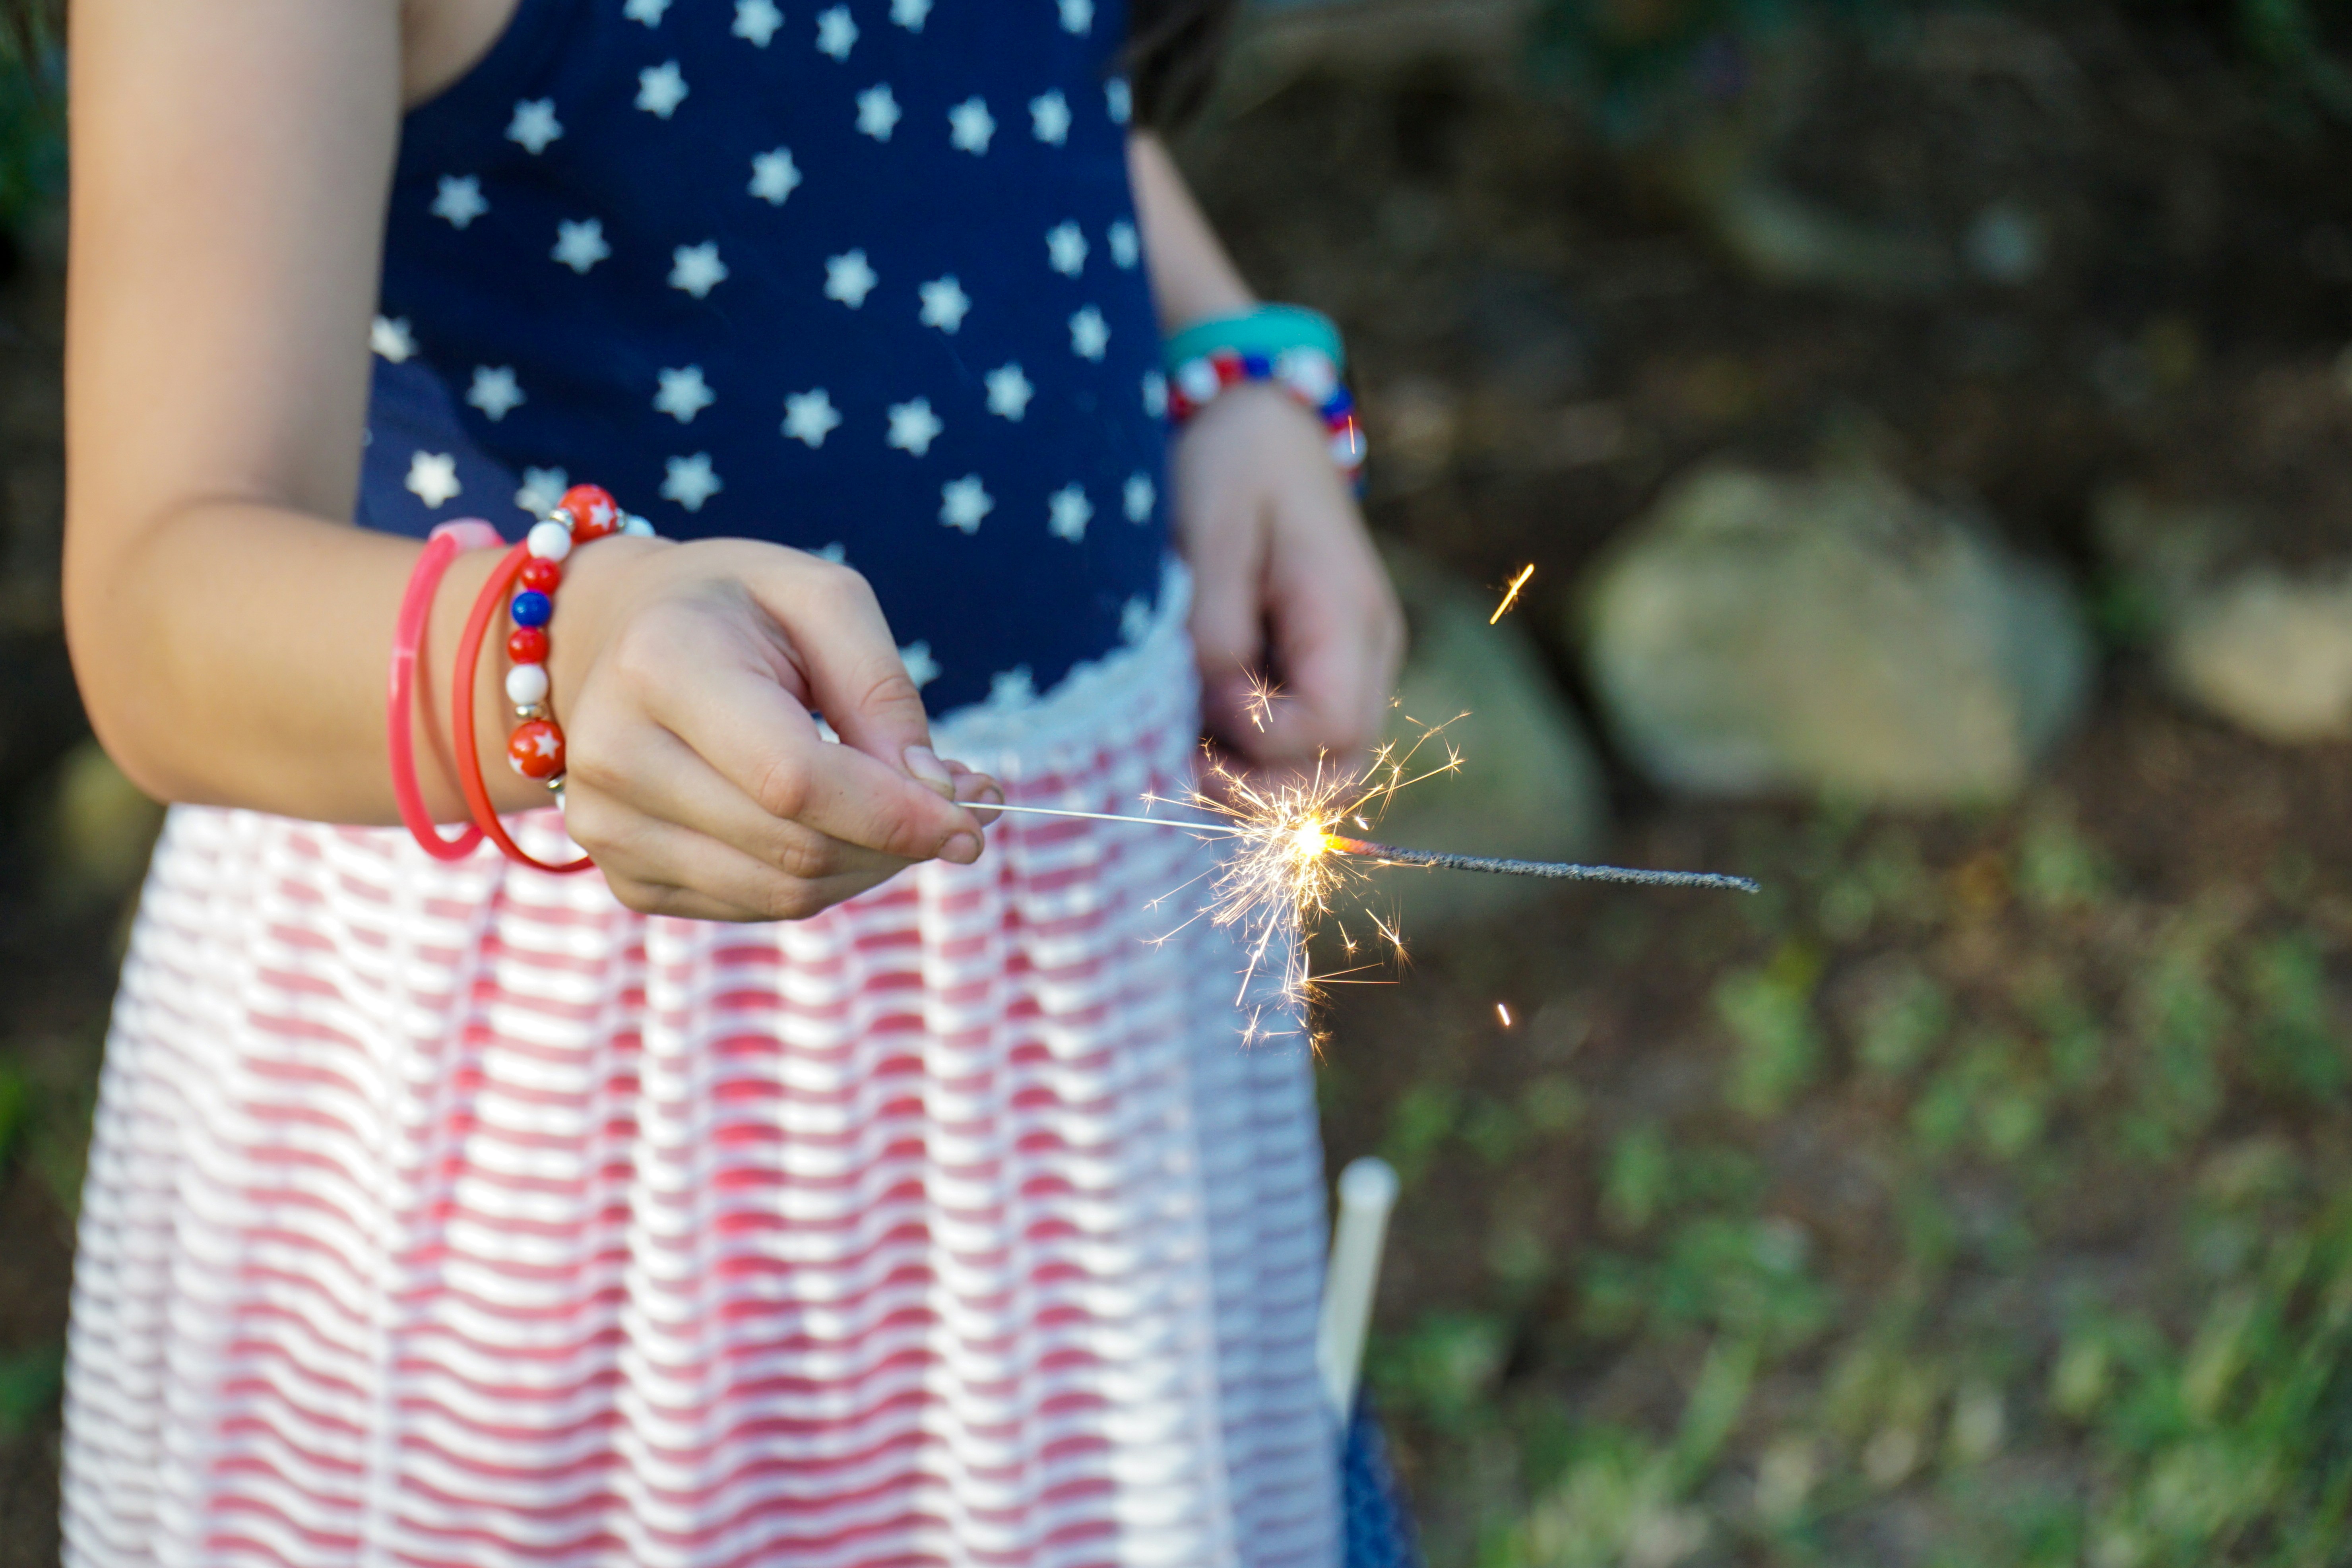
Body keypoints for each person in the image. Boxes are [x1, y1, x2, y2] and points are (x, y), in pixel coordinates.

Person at [55, 0, 1404, 1560]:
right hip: (574, 1105)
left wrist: (1225, 366)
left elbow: (1010, 74)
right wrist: (560, 655)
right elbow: (161, 598)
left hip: (1084, 1053)